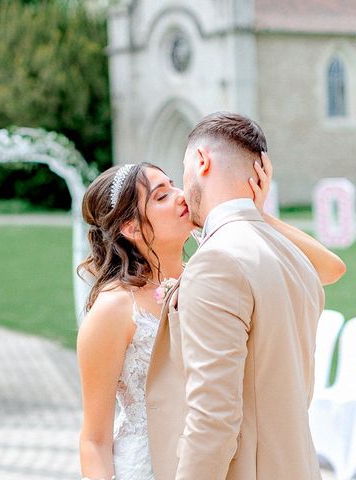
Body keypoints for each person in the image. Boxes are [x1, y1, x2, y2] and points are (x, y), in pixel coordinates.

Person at [77, 116, 346, 480]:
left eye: (173, 185)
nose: (180, 196)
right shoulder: (114, 308)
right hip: (147, 466)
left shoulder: (211, 266)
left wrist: (254, 212)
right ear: (132, 227)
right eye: (161, 196)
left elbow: (328, 270)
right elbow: (94, 439)